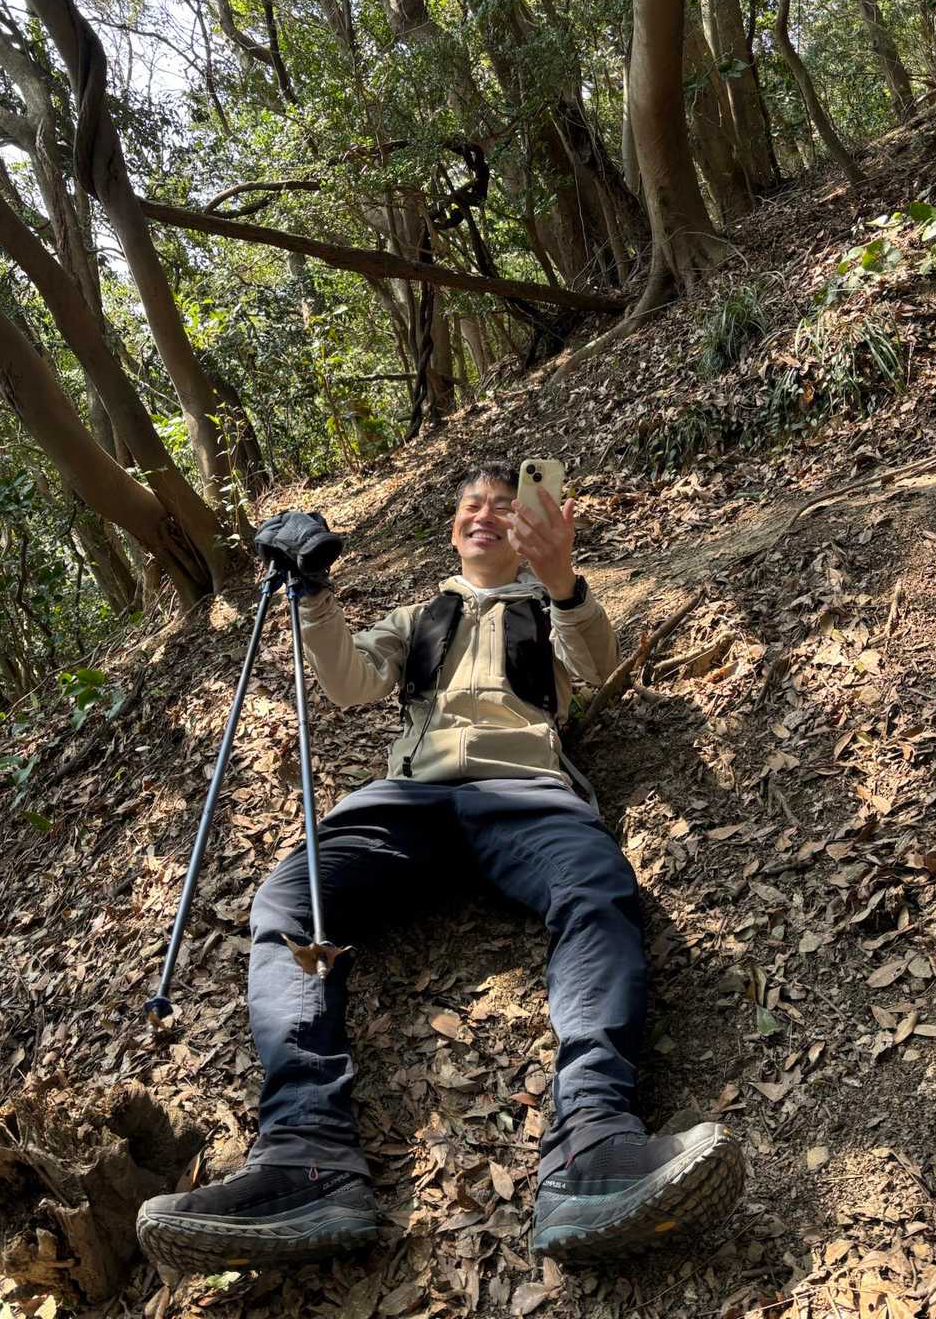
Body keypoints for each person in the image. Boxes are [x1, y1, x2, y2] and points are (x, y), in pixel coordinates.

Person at [137, 461, 744, 1272]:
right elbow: (349, 683)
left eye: (503, 506)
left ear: (527, 529)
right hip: (408, 798)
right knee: (289, 899)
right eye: (470, 507)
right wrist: (310, 590)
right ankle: (306, 1160)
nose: (484, 515)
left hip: (528, 794)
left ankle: (593, 1144)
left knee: (595, 886)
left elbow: (599, 666)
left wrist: (564, 580)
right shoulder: (419, 615)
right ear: (454, 530)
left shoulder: (550, 605)